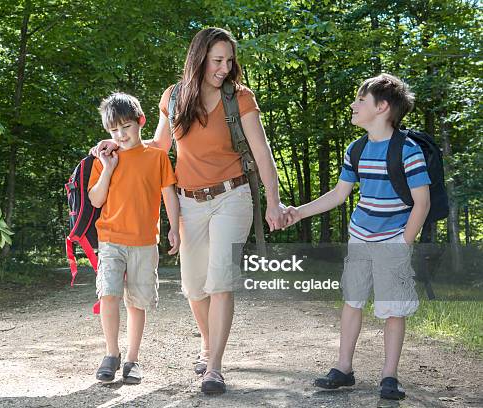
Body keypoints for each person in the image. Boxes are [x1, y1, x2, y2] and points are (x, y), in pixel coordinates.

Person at [92, 27, 286, 394]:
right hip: (189, 202)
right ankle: (208, 343)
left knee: (220, 281)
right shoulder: (175, 96)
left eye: (229, 60)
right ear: (199, 59)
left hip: (233, 195)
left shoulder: (240, 98)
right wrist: (120, 143)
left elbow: (262, 154)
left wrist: (273, 202)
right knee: (194, 287)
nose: (225, 67)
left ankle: (214, 367)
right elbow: (159, 145)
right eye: (217, 60)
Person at [285, 73, 431, 400]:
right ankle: (343, 368)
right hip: (360, 236)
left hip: (394, 238)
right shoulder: (357, 148)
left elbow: (422, 203)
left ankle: (389, 376)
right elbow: (339, 194)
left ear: (381, 107)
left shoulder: (408, 151)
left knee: (393, 309)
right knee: (352, 302)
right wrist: (299, 211)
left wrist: (403, 243)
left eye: (360, 100)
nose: (353, 105)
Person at [88, 92, 180, 384]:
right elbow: (95, 200)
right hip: (111, 239)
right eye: (114, 130)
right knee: (109, 295)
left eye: (126, 127)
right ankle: (111, 354)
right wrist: (108, 168)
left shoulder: (157, 158)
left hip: (143, 241)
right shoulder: (104, 159)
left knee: (136, 302)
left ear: (140, 121)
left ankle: (132, 360)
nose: (121, 134)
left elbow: (169, 196)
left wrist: (174, 227)